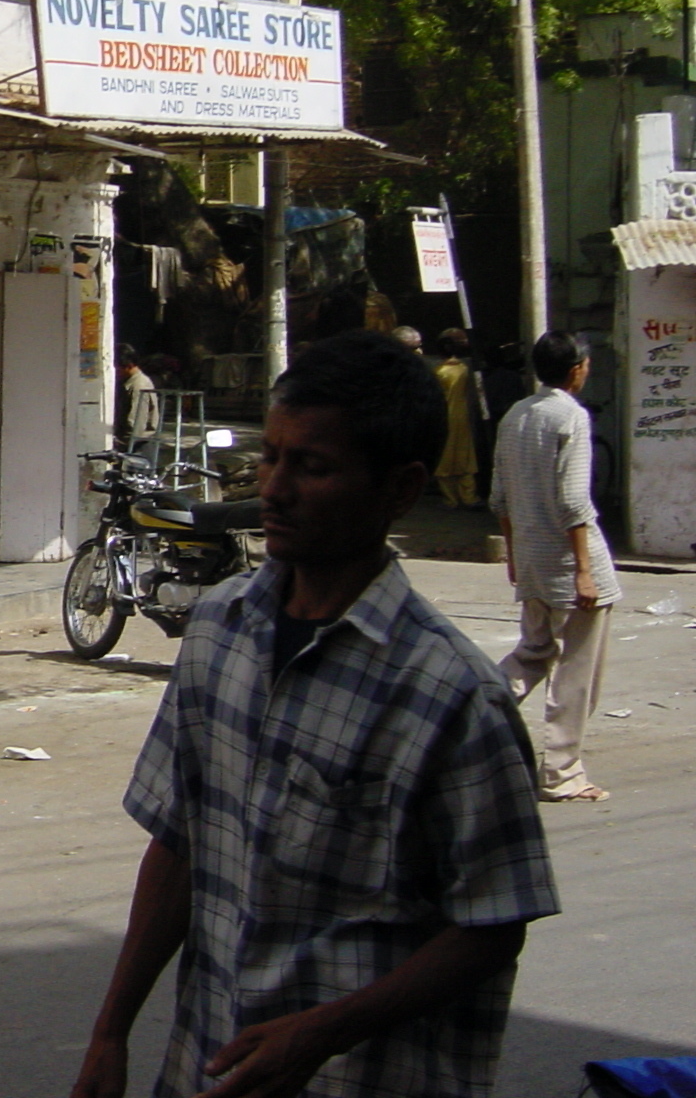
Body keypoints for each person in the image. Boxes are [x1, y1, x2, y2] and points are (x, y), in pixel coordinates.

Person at [70, 331, 557, 1098]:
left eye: (313, 467)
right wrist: (110, 1032)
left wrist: (324, 1032)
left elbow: (493, 923)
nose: (274, 487)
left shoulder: (451, 695)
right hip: (209, 1060)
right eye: (270, 457)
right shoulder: (222, 629)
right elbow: (179, 840)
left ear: (398, 489)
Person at [489, 329, 619, 803]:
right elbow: (572, 501)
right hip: (570, 566)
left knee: (534, 652)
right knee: (576, 674)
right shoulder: (571, 418)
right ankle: (563, 773)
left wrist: (515, 555)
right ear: (577, 370)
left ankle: (478, 710)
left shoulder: (516, 416)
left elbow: (499, 496)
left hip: (534, 562)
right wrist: (584, 570)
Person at [434, 327, 482, 508]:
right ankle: (469, 497)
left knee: (445, 460)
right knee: (465, 458)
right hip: (463, 417)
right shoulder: (464, 369)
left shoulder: (439, 372)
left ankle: (450, 499)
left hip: (445, 417)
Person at [116, 344, 160, 469]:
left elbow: (136, 422)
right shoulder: (129, 383)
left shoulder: (138, 385)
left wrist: (121, 444)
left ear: (128, 366)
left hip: (138, 446)